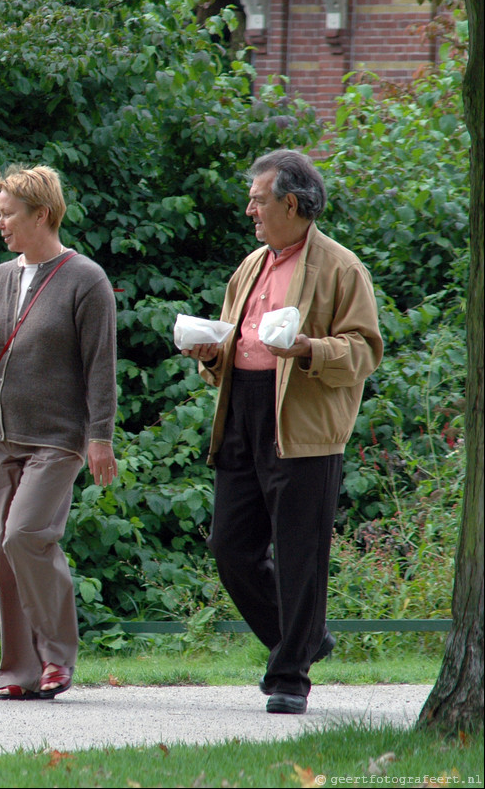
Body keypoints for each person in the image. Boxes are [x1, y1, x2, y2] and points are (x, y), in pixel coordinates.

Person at [181, 149, 383, 715]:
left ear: (289, 202)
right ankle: (304, 638)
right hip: (242, 412)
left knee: (301, 553)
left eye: (257, 198)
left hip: (304, 424)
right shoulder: (249, 266)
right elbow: (230, 343)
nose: (250, 209)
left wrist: (305, 349)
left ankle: (290, 675)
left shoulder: (342, 268)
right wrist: (210, 353)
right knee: (230, 547)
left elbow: (365, 351)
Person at [0, 164, 118, 701]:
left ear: (41, 214)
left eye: (8, 214)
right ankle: (20, 674)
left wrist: (100, 437)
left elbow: (100, 366)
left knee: (25, 535)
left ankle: (57, 658)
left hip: (56, 437)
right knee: (7, 551)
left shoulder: (85, 279)